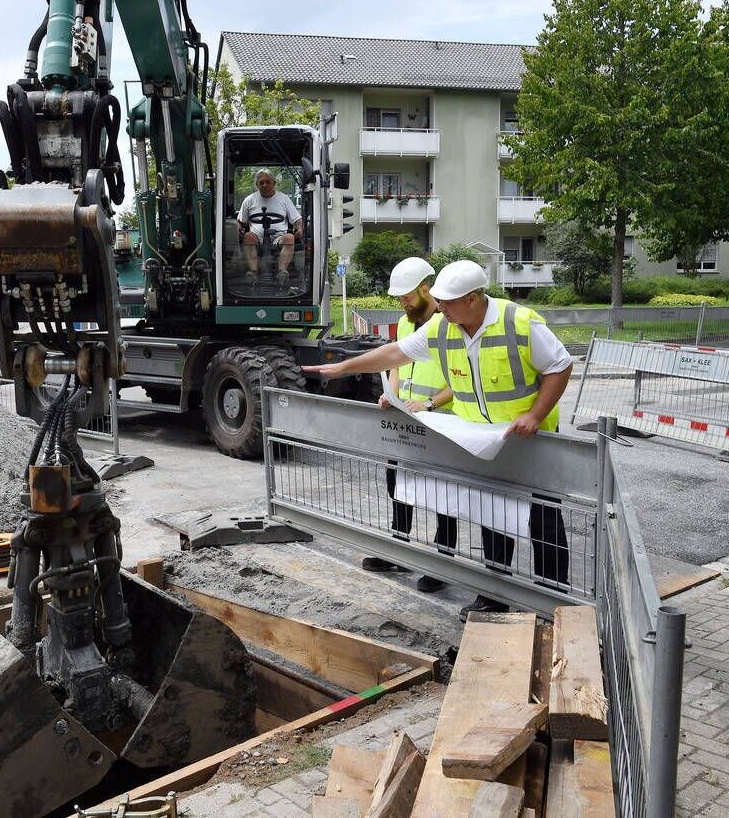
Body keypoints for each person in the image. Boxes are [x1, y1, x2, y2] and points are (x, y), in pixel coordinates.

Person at [304, 260, 573, 620]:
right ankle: (494, 597)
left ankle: (552, 602)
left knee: (543, 519)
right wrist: (343, 367)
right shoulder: (443, 327)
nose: (441, 307)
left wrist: (536, 415)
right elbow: (395, 353)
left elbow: (560, 365)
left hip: (531, 440)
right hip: (483, 439)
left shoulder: (518, 322)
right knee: (493, 514)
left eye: (448, 302)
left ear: (473, 298)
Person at [362, 257, 458, 595]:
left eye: (406, 297)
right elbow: (396, 365)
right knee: (398, 483)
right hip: (407, 420)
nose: (402, 303)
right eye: (399, 298)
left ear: (425, 289)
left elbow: (460, 379)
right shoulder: (405, 323)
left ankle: (443, 562)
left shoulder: (449, 325)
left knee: (443, 496)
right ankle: (398, 547)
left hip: (440, 421)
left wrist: (431, 403)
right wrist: (391, 394)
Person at [237, 169, 303, 285]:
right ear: (257, 184)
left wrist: (300, 229)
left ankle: (282, 273)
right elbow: (240, 221)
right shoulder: (249, 200)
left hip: (278, 238)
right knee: (248, 237)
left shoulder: (284, 199)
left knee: (289, 238)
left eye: (267, 182)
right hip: (257, 238)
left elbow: (297, 219)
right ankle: (253, 273)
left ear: (274, 183)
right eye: (261, 183)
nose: (264, 185)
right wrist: (238, 229)